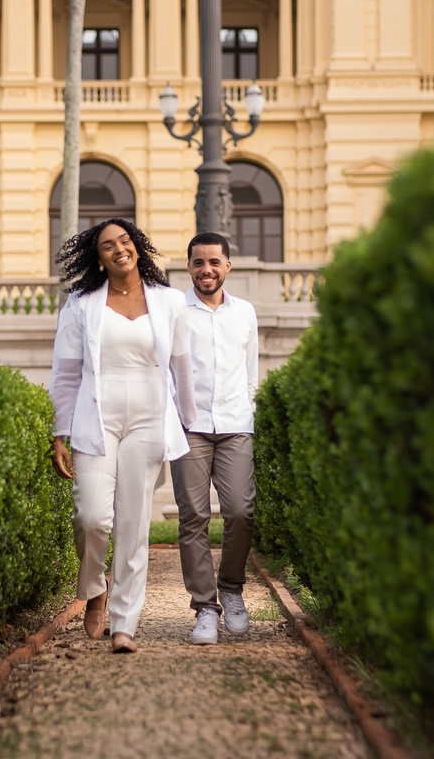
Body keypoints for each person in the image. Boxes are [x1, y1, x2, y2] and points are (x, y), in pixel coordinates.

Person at [50, 218, 196, 654]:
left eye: (125, 241)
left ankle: (124, 624)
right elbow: (66, 374)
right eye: (108, 246)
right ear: (98, 258)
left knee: (134, 525)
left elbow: (182, 370)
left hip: (149, 419)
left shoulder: (169, 302)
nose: (119, 249)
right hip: (96, 419)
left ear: (138, 248)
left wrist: (185, 426)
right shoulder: (81, 304)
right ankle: (96, 587)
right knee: (91, 517)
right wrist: (60, 432)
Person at [171, 232, 260, 645]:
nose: (206, 270)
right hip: (189, 428)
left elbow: (251, 374)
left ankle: (232, 588)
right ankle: (205, 607)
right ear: (188, 267)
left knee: (241, 511)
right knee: (193, 518)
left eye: (214, 262)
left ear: (228, 265)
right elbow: (164, 369)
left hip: (235, 426)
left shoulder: (244, 313)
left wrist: (249, 413)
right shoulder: (175, 310)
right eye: (198, 263)